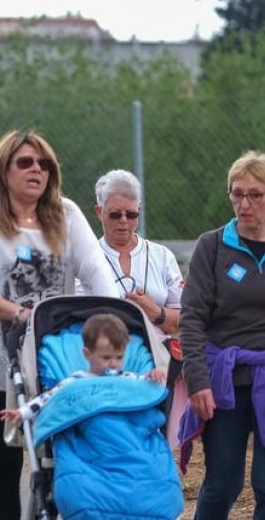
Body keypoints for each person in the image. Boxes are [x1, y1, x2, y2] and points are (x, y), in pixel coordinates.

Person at [0, 130, 116, 520]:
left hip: (54, 362)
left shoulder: (67, 214)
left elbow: (97, 270)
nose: (36, 170)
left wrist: (113, 313)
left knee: (62, 458)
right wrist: (18, 313)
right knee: (3, 459)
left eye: (43, 164)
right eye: (25, 163)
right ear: (4, 170)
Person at [178, 151, 265, 520]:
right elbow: (191, 319)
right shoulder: (212, 246)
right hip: (224, 380)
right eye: (237, 194)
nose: (244, 203)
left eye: (255, 194)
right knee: (223, 483)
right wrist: (198, 381)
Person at [92, 169, 185, 441]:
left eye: (131, 214)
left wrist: (154, 310)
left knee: (156, 435)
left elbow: (183, 317)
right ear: (99, 212)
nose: (124, 221)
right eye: (115, 214)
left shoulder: (161, 256)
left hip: (158, 364)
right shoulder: (88, 256)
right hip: (107, 364)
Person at [0, 313, 166, 425]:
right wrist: (23, 412)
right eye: (106, 358)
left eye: (119, 357)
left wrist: (152, 376)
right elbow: (48, 397)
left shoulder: (126, 377)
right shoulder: (77, 379)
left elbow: (144, 387)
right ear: (88, 354)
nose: (114, 364)